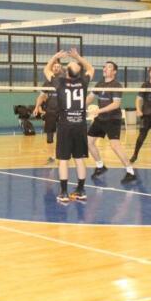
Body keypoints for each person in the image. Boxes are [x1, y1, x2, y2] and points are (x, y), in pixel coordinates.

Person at [45, 49, 95, 203]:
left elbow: (46, 69)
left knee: (63, 160)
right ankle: (81, 190)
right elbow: (91, 69)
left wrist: (55, 57)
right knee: (79, 159)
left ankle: (64, 193)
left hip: (66, 126)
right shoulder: (83, 82)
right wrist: (78, 57)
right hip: (80, 125)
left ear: (66, 72)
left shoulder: (60, 83)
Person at [87, 61, 136, 183]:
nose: (105, 69)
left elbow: (116, 104)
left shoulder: (116, 85)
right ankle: (100, 166)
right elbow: (90, 97)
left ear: (114, 71)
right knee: (88, 142)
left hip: (113, 119)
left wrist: (99, 110)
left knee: (115, 146)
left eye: (108, 67)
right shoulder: (100, 83)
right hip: (101, 119)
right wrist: (79, 106)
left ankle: (130, 171)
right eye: (104, 67)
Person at [33, 57, 63, 164]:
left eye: (58, 66)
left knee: (62, 134)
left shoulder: (63, 81)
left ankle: (61, 155)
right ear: (51, 68)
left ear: (61, 68)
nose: (56, 68)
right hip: (50, 112)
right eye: (54, 66)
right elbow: (41, 96)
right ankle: (51, 157)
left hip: (62, 112)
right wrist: (37, 107)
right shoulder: (47, 83)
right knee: (49, 136)